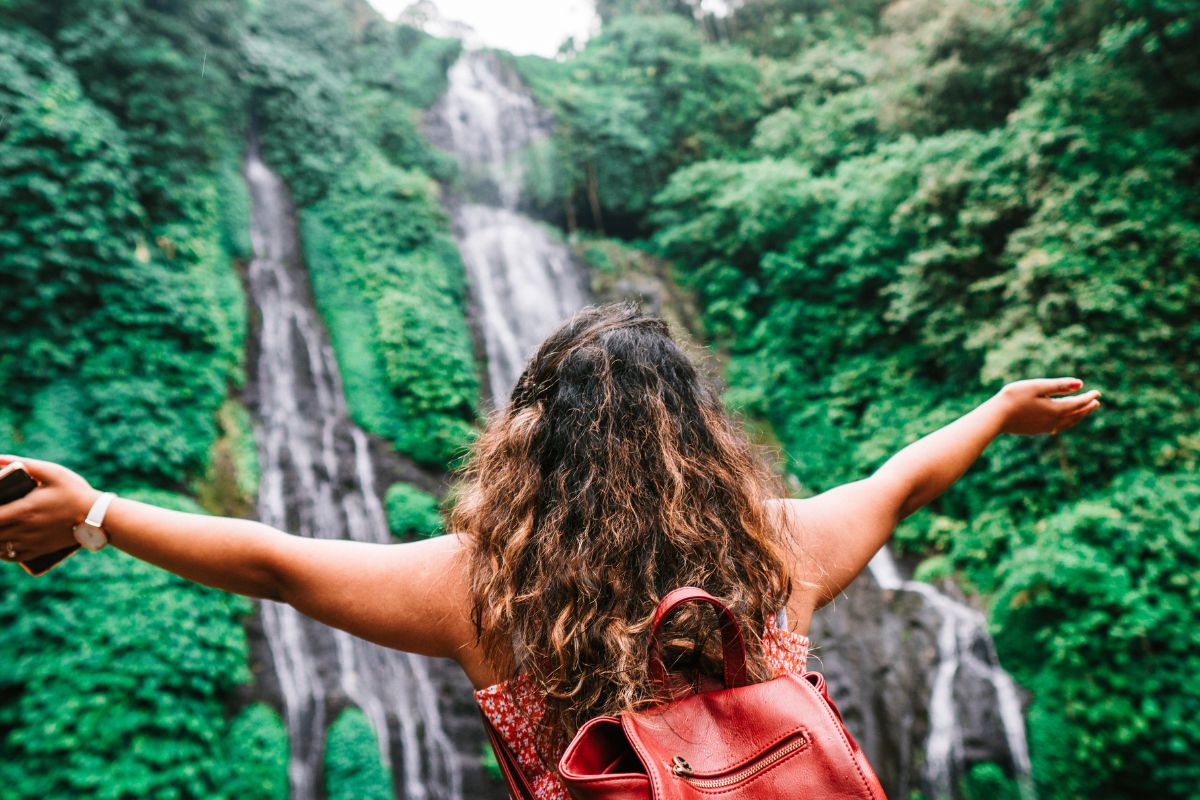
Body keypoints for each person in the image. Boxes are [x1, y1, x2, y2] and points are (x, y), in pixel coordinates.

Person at [0, 304, 1099, 796]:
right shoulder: (777, 549)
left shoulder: (483, 592)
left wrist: (95, 511)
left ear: (531, 436)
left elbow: (273, 559)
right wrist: (999, 409)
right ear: (700, 434)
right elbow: (900, 478)